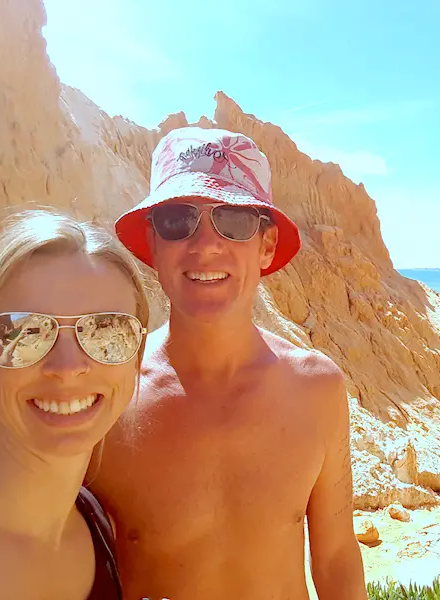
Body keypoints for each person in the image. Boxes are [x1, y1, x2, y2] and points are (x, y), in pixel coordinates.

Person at [91, 127, 368, 599]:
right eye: (178, 220)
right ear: (153, 244)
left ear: (265, 246)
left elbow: (337, 558)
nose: (205, 245)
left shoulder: (317, 389)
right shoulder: (111, 392)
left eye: (234, 220)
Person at [0, 210, 150, 599]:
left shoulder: (98, 528)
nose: (68, 367)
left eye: (106, 330)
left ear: (137, 358)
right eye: (25, 331)